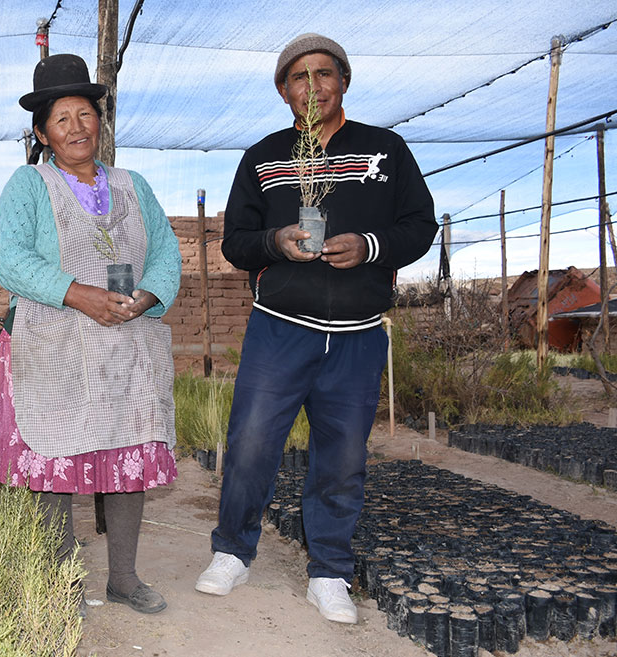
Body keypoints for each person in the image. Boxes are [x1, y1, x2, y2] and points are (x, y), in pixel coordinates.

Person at [194, 34, 437, 624]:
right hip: (280, 329)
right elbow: (234, 243)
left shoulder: (386, 151)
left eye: (323, 74)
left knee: (343, 454)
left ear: (343, 82)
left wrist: (371, 246)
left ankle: (329, 571)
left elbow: (420, 226)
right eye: (298, 78)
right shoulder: (264, 157)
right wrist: (274, 243)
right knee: (252, 443)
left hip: (357, 332)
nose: (312, 87)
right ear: (284, 91)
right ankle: (232, 551)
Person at [0, 53, 182, 615]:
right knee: (56, 459)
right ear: (42, 132)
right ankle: (59, 580)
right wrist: (83, 295)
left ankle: (123, 578)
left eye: (85, 114)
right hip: (54, 345)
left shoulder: (133, 185)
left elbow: (167, 253)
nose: (76, 127)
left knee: (127, 458)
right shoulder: (29, 186)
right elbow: (9, 260)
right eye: (61, 118)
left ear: (101, 121)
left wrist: (147, 296)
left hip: (127, 344)